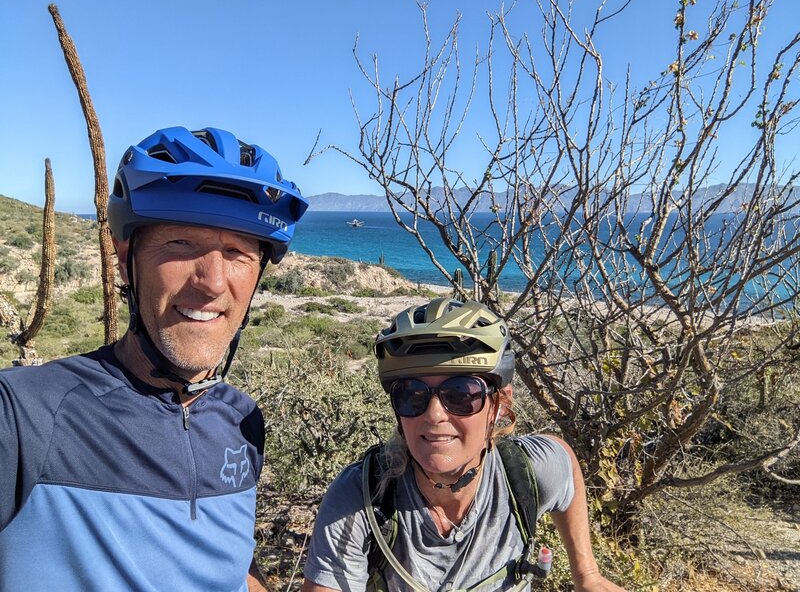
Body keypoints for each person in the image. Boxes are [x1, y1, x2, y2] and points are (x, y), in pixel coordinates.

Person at [0, 126, 308, 591]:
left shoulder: (243, 422)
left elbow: (232, 565)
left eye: (237, 252)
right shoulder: (24, 415)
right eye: (181, 244)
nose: (212, 282)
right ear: (126, 262)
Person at [302, 298, 627, 592]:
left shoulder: (524, 474)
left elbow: (565, 460)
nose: (433, 414)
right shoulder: (361, 498)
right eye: (411, 394)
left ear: (499, 404)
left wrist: (587, 573)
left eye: (460, 393)